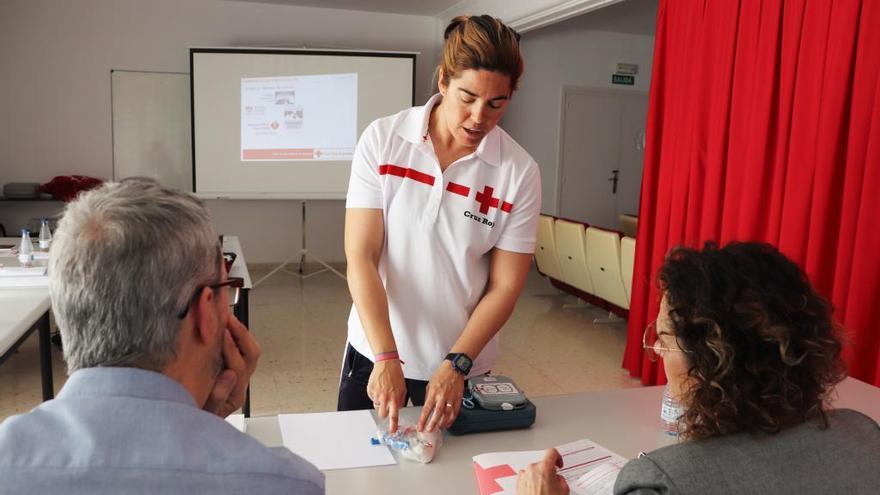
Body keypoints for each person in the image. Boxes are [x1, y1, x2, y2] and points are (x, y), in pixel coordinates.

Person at [0, 179, 324, 494]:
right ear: (205, 312)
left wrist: (196, 422)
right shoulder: (284, 482)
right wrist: (201, 426)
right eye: (227, 287)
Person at [518, 242, 880, 495]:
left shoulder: (661, 482)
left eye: (664, 337)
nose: (657, 350)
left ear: (710, 362)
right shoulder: (864, 434)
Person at [339, 14, 541, 434]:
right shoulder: (384, 139)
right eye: (467, 97)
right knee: (359, 470)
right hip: (375, 351)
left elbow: (505, 286)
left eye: (496, 104)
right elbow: (361, 255)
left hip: (462, 363)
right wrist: (386, 357)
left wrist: (457, 364)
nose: (478, 117)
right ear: (443, 81)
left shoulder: (518, 172)